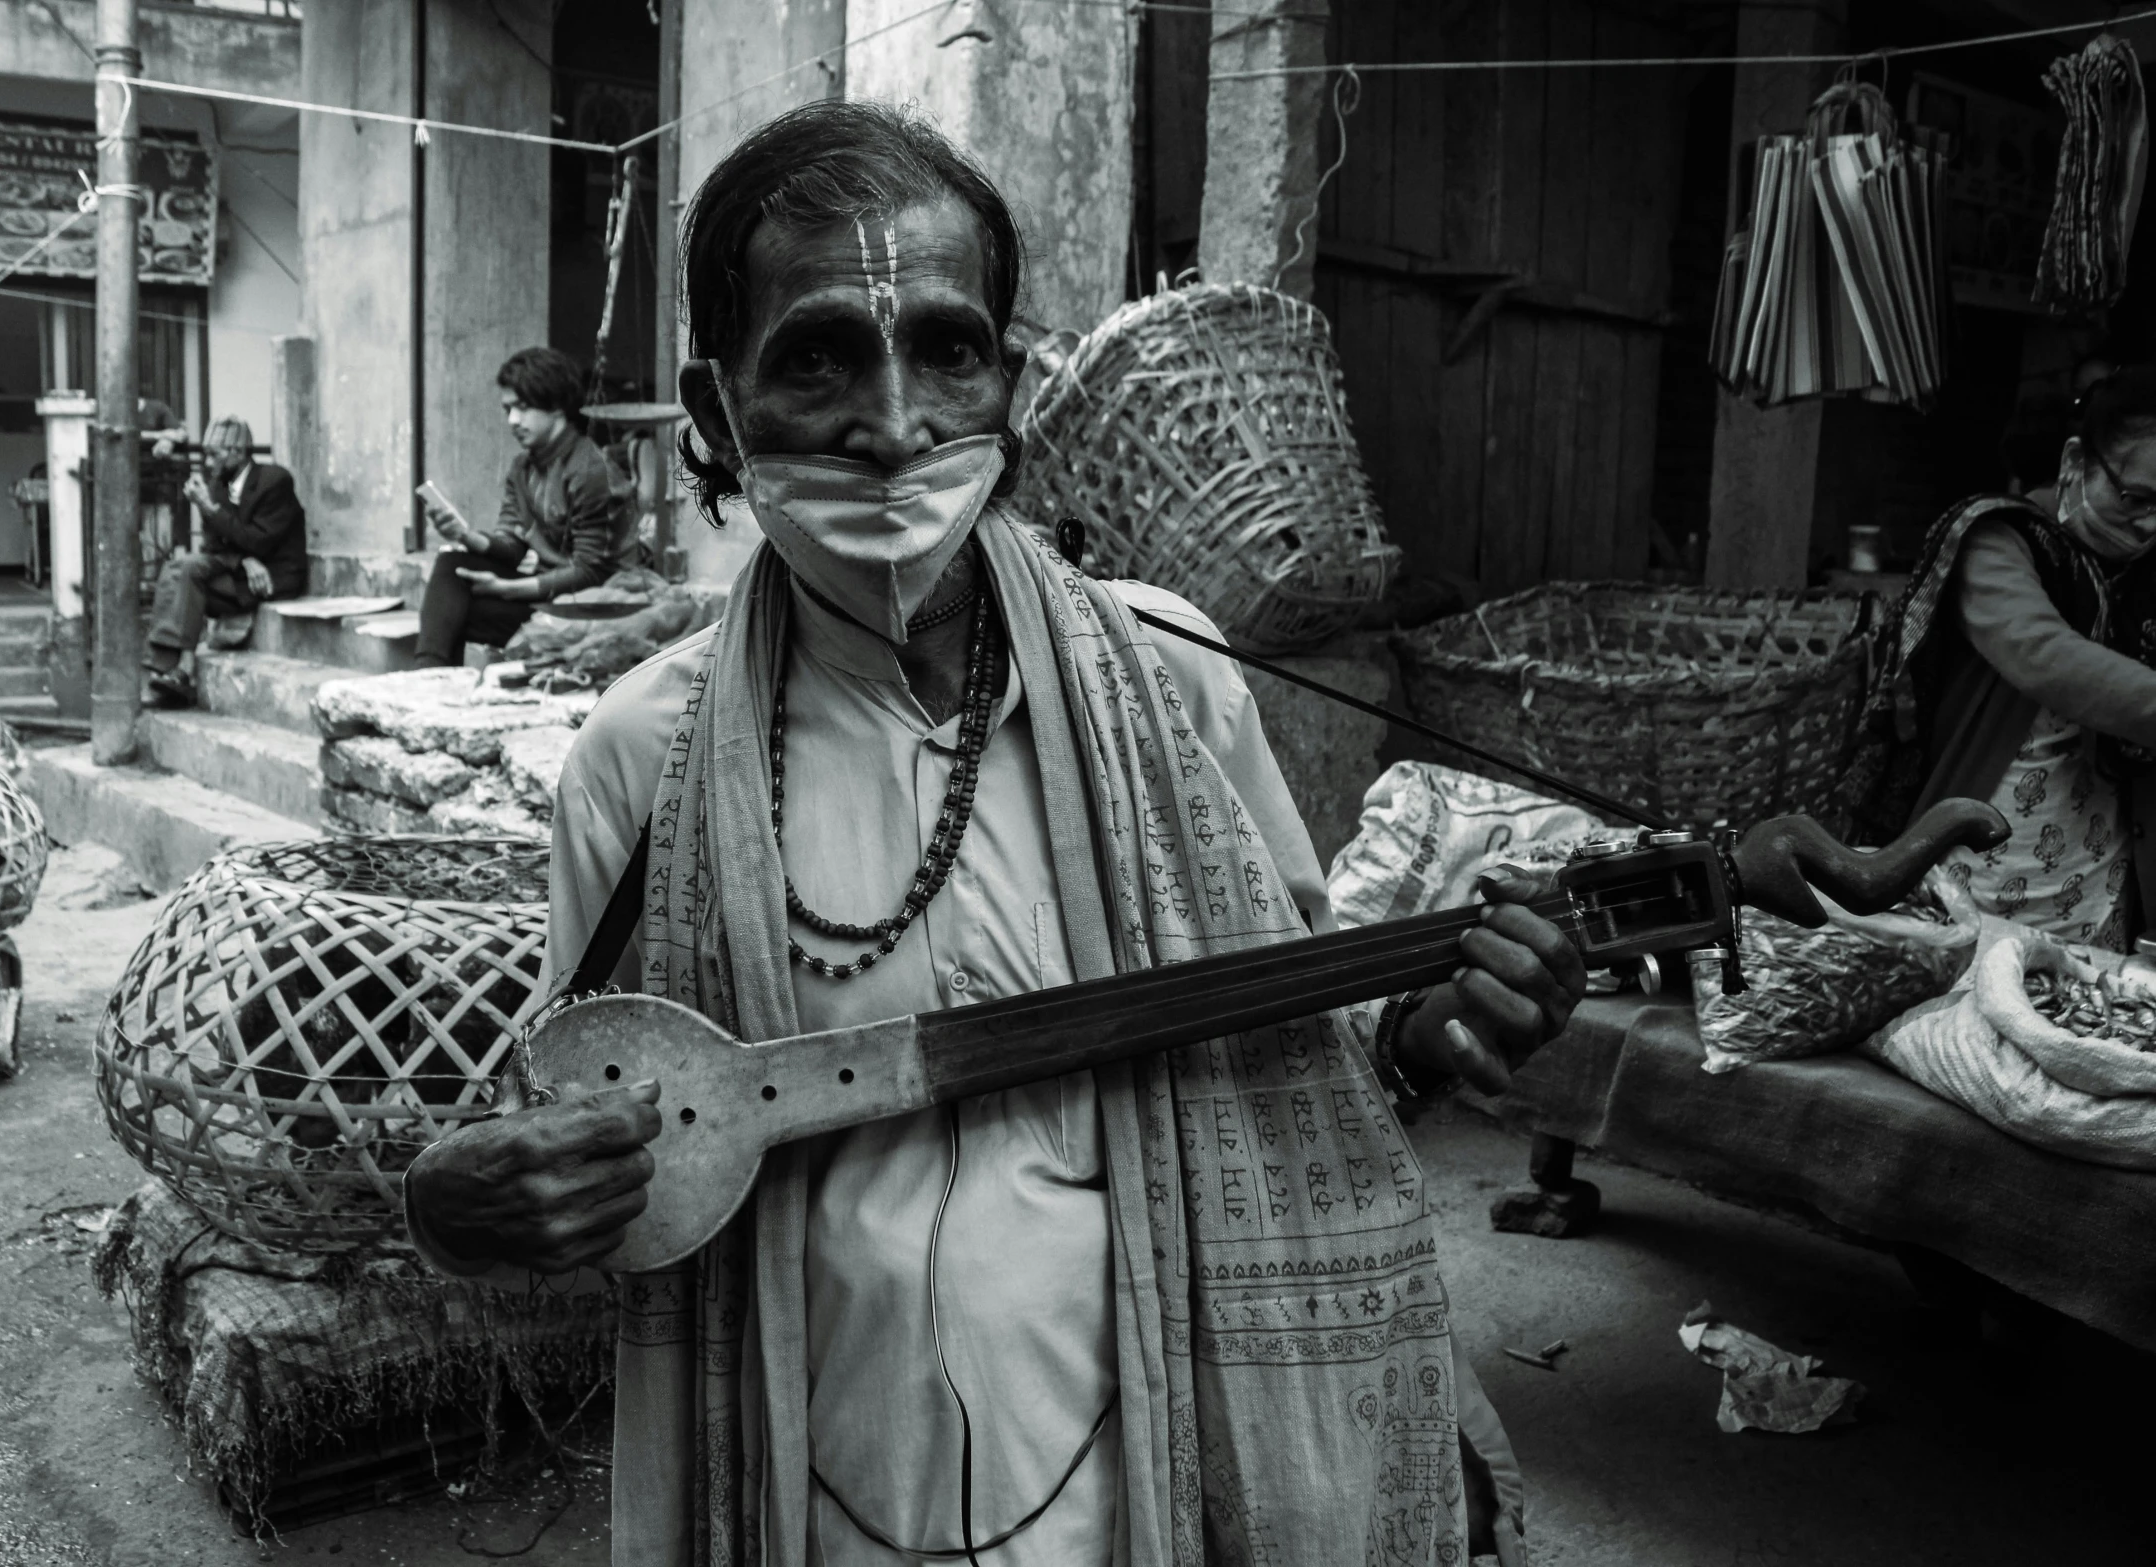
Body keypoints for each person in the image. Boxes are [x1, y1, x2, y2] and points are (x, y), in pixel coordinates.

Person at [403, 102, 1581, 1566]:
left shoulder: (1171, 677)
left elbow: (1296, 1062)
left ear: (1008, 384)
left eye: (945, 349)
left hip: (1153, 1486)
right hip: (804, 1485)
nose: (892, 421)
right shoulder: (639, 760)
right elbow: (592, 1129)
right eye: (818, 354)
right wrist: (475, 1202)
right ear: (715, 413)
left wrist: (1425, 1030)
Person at [1870, 365, 2156, 947]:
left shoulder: (2143, 577)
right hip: (1981, 869)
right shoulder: (1996, 539)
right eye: (2136, 498)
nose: (2151, 523)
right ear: (2076, 461)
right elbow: (2046, 658)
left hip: (2101, 882)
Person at [411, 347, 635, 667]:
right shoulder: (523, 468)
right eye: (507, 410)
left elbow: (590, 572)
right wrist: (464, 535)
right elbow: (512, 547)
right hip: (548, 597)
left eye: (523, 407)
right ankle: (429, 681)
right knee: (453, 567)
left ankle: (426, 680)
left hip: (595, 605)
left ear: (556, 406)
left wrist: (509, 589)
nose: (513, 420)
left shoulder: (589, 470)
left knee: (454, 608)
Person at [143, 416, 306, 707]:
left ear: (238, 453)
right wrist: (244, 560)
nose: (208, 462)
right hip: (241, 570)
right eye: (206, 455)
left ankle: (178, 670)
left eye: (214, 455)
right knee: (179, 568)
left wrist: (208, 508)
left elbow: (261, 541)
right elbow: (212, 544)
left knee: (189, 571)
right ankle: (172, 667)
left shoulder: (275, 481)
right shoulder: (219, 483)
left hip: (273, 575)